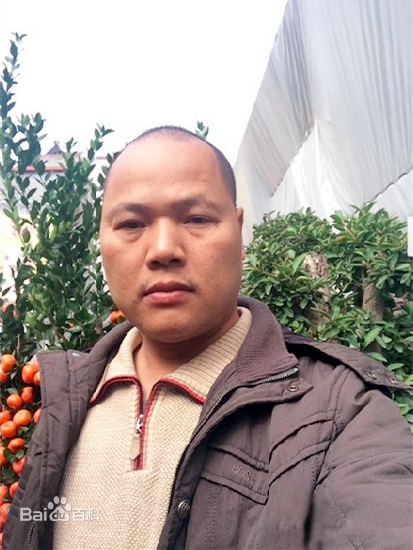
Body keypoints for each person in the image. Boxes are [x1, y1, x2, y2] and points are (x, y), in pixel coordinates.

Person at [3, 126, 412, 550]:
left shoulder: (339, 412)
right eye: (131, 223)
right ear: (102, 241)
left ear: (239, 232)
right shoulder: (68, 396)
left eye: (197, 218)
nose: (163, 249)